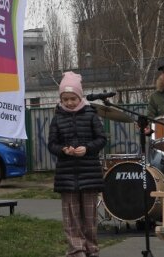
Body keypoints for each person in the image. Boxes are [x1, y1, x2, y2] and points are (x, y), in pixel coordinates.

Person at [48, 72, 107, 257]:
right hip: (66, 174)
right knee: (71, 217)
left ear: (80, 96)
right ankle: (76, 250)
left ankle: (91, 248)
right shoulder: (57, 118)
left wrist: (87, 149)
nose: (69, 103)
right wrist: (63, 149)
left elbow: (101, 139)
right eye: (65, 99)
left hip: (89, 172)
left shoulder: (91, 115)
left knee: (90, 217)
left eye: (73, 98)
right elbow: (52, 144)